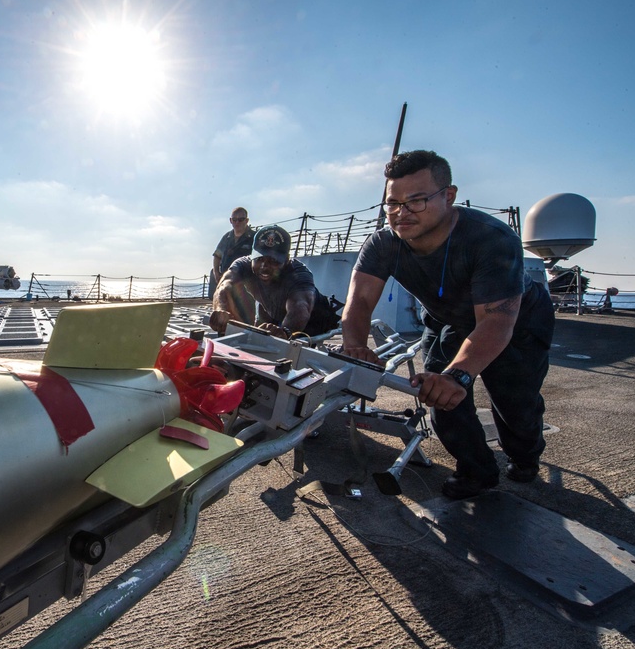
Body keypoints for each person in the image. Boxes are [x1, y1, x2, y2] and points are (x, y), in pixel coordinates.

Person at [339, 150, 555, 500]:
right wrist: (355, 347)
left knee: (515, 404)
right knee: (439, 398)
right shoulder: (383, 243)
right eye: (392, 203)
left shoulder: (491, 239)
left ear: (449, 196)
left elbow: (496, 321)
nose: (401, 213)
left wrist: (459, 375)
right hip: (447, 319)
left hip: (516, 322)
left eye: (417, 201)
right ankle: (477, 470)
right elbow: (360, 301)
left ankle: (525, 457)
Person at [210, 225, 341, 338]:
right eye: (260, 258)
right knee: (257, 334)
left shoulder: (299, 275)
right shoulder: (243, 264)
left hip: (312, 319)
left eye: (273, 260)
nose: (264, 267)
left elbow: (300, 306)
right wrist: (220, 310)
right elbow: (225, 285)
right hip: (271, 309)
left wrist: (285, 332)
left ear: (287, 260)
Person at [208, 207, 255, 295]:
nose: (237, 222)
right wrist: (216, 272)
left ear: (246, 220)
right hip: (227, 282)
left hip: (246, 284)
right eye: (234, 220)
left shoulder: (254, 237)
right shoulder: (226, 237)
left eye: (240, 220)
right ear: (230, 220)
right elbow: (217, 256)